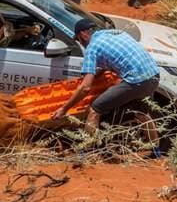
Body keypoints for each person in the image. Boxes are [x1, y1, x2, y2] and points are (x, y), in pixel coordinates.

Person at [52, 19, 163, 158]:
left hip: (136, 80)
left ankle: (85, 153)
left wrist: (64, 108)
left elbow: (85, 87)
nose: (81, 43)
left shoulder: (92, 47)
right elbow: (117, 55)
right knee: (142, 113)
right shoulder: (115, 32)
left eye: (79, 40)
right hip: (153, 76)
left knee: (95, 110)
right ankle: (156, 151)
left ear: (84, 34)